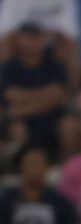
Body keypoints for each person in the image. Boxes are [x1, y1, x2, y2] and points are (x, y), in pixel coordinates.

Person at [0, 0, 81, 87]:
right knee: (4, 44)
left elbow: (69, 32)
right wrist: (28, 40)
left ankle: (73, 94)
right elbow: (6, 30)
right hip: (20, 44)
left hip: (51, 45)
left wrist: (41, 39)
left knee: (70, 47)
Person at [0, 21, 73, 159]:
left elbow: (58, 95)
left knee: (69, 126)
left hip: (50, 117)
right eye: (28, 37)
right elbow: (11, 95)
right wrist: (44, 96)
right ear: (19, 39)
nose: (32, 42)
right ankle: (11, 167)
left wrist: (26, 103)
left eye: (36, 37)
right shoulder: (10, 66)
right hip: (20, 119)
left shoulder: (54, 64)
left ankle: (65, 167)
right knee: (16, 129)